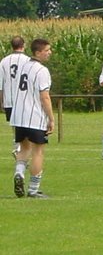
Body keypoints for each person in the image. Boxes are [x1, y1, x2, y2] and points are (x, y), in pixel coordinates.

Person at [11, 38, 54, 198]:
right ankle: (33, 190)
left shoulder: (23, 67)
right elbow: (45, 97)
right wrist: (51, 118)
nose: (49, 53)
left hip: (19, 116)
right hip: (34, 116)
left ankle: (19, 173)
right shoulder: (42, 71)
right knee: (38, 151)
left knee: (24, 148)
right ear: (38, 52)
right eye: (47, 50)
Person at [0, 36, 30, 158]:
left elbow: (0, 84)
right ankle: (19, 148)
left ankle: (17, 146)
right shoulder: (28, 60)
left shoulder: (4, 61)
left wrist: (1, 101)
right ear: (24, 45)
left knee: (15, 126)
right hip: (24, 100)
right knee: (25, 126)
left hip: (9, 100)